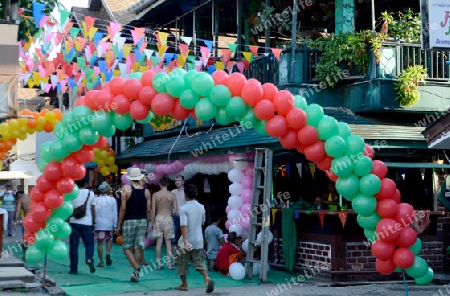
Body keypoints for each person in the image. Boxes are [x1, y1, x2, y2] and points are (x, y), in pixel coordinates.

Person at [174, 184, 214, 293]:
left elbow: (183, 225)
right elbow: (202, 222)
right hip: (198, 240)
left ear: (185, 195)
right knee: (200, 262)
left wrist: (185, 240)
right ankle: (206, 278)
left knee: (182, 263)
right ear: (196, 194)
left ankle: (184, 284)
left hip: (186, 241)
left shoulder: (184, 208)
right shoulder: (201, 207)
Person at [116, 168, 152, 283]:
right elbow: (148, 210)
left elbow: (123, 208)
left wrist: (119, 224)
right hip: (142, 221)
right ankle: (135, 274)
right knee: (138, 246)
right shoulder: (146, 192)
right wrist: (147, 224)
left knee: (126, 247)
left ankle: (136, 266)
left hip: (129, 221)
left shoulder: (125, 190)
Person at [69, 179, 96, 274]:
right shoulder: (91, 193)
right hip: (87, 222)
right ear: (86, 183)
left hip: (74, 221)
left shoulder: (72, 193)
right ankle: (89, 258)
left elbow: (69, 208)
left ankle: (73, 269)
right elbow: (93, 209)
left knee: (74, 245)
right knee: (89, 244)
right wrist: (94, 221)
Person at [151, 175, 177, 270]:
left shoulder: (155, 195)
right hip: (168, 218)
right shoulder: (172, 195)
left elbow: (153, 210)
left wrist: (152, 222)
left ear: (159, 184)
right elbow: (176, 210)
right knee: (168, 243)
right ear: (168, 184)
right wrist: (170, 213)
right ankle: (169, 264)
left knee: (159, 242)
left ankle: (158, 264)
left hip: (158, 218)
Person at [93, 182, 118, 268]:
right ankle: (108, 253)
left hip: (99, 224)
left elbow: (94, 213)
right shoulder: (112, 200)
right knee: (109, 239)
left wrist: (94, 223)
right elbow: (115, 213)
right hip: (109, 223)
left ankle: (101, 261)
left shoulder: (96, 200)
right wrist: (115, 225)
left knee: (100, 243)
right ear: (108, 190)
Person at [13, 191, 30, 259]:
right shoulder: (33, 197)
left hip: (27, 220)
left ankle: (25, 255)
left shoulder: (21, 199)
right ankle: (34, 254)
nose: (17, 198)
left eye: (17, 196)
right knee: (35, 238)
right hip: (36, 220)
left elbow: (17, 211)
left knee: (25, 239)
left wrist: (15, 223)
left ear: (19, 194)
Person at [171, 175, 185, 245]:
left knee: (184, 234)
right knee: (174, 235)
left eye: (179, 180)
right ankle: (173, 252)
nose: (177, 182)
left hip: (184, 216)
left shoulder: (186, 191)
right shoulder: (173, 192)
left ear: (183, 182)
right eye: (176, 181)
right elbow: (170, 204)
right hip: (175, 215)